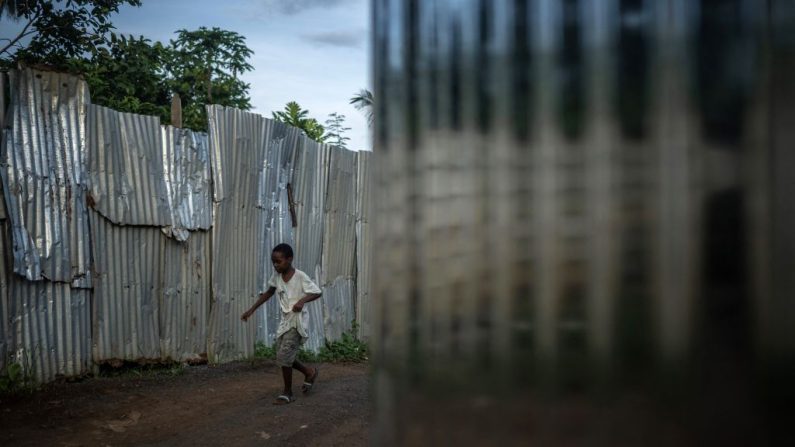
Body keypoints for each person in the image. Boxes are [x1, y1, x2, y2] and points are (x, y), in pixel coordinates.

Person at [241, 243, 322, 405]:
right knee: (283, 355)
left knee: (284, 356)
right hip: (286, 321)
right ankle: (309, 372)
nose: (276, 265)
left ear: (289, 259)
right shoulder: (277, 278)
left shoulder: (300, 276)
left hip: (298, 321)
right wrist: (252, 309)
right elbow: (269, 292)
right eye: (273, 262)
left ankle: (288, 393)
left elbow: (317, 292)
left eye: (278, 261)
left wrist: (302, 301)